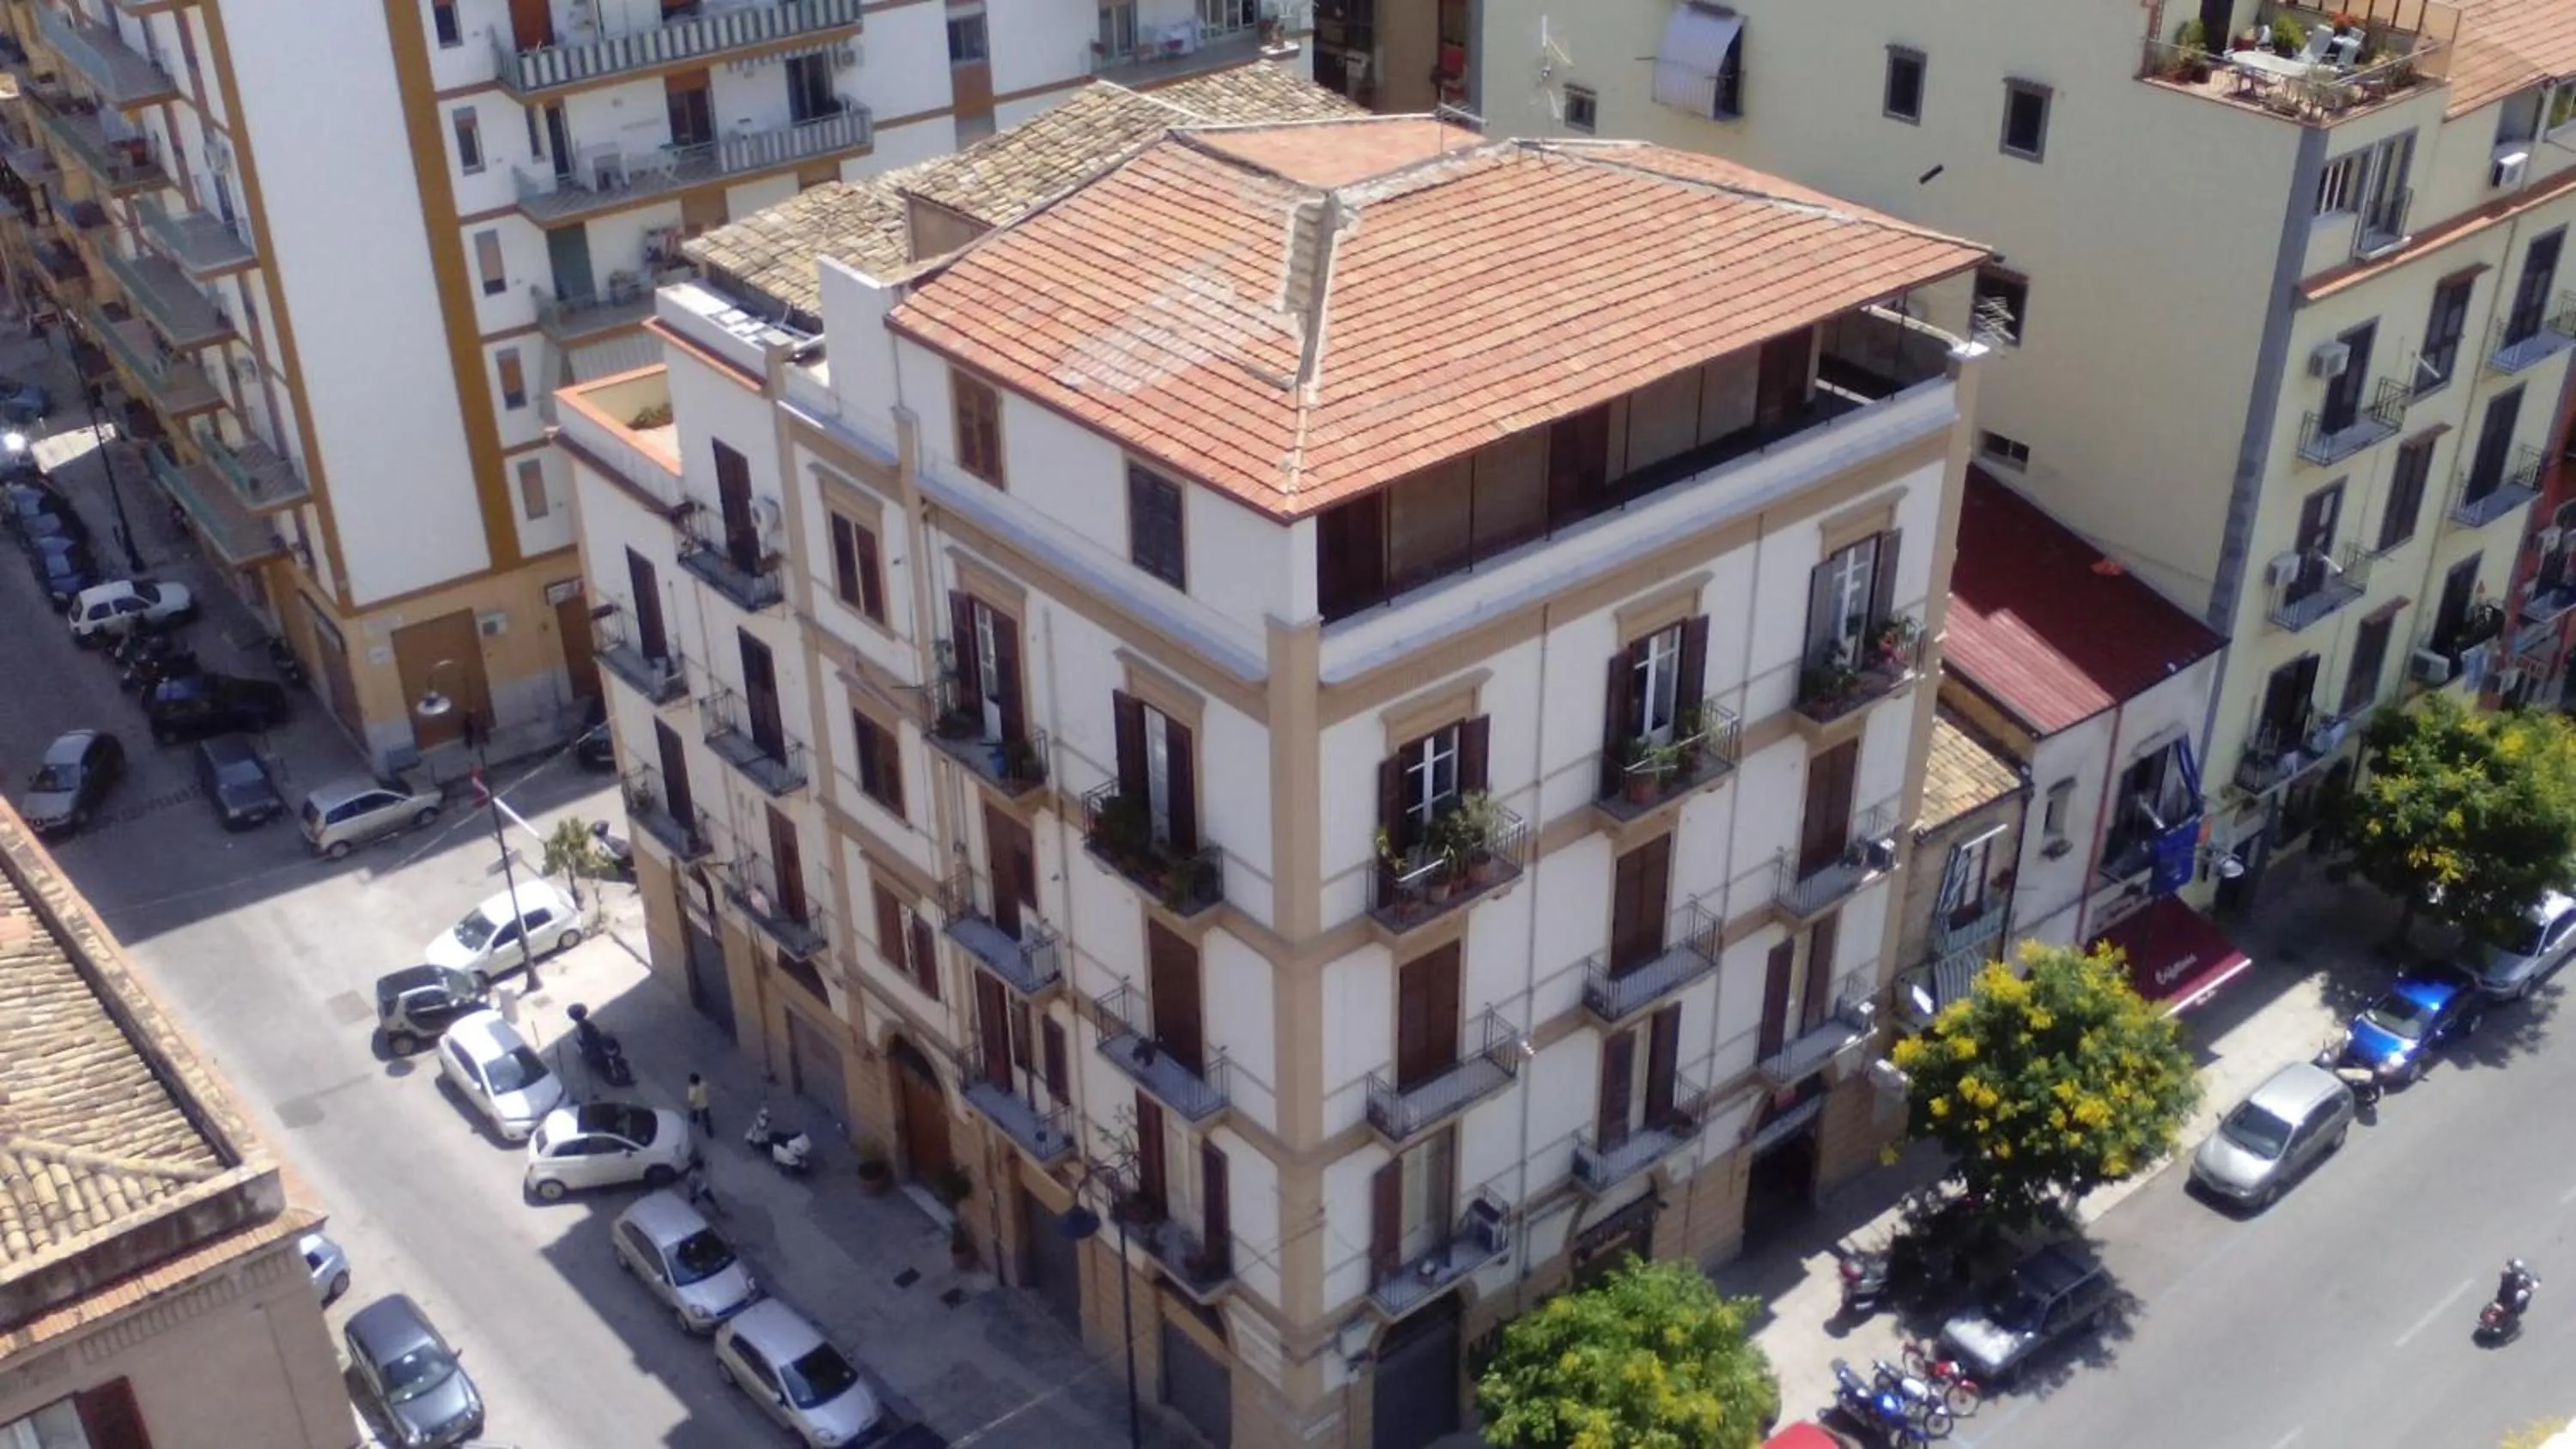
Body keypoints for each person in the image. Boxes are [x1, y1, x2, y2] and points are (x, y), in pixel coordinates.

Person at [686, 1073, 712, 1137]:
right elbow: (707, 1091)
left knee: (694, 1114)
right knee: (706, 1118)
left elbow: (692, 1100)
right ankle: (709, 1131)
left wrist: (690, 1106)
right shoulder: (703, 1084)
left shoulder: (692, 1089)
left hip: (696, 1106)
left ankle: (694, 1120)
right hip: (704, 1105)